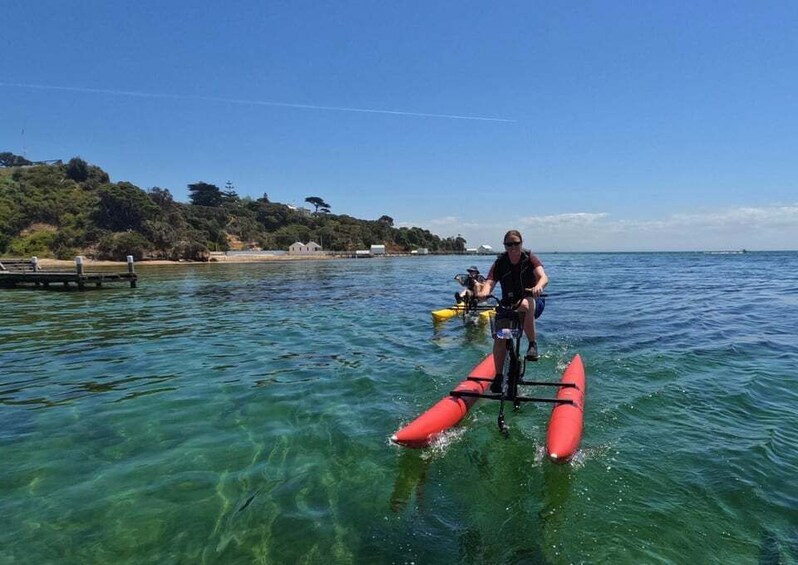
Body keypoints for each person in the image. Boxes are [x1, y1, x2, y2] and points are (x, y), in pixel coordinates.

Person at [475, 230, 549, 389]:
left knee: (526, 303)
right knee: (500, 336)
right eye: (509, 244)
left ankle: (532, 344)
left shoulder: (529, 258)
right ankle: (499, 376)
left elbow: (543, 277)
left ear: (521, 244)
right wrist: (484, 293)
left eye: (516, 243)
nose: (513, 247)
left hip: (533, 302)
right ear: (505, 246)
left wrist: (538, 286)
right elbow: (489, 281)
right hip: (509, 305)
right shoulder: (500, 262)